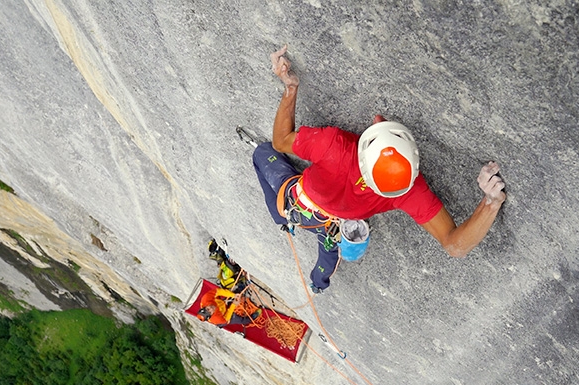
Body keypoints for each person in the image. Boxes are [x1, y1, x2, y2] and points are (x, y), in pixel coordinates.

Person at [252, 46, 507, 293]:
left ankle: (284, 223)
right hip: (335, 225)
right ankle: (318, 283)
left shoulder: (336, 147)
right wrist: (491, 201)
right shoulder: (408, 190)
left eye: (378, 126)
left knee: (262, 153)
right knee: (324, 258)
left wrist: (291, 87)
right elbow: (455, 246)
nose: (378, 119)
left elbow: (281, 141)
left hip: (301, 205)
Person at [197, 286, 263, 327]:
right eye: (210, 311)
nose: (211, 308)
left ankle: (242, 286)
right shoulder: (217, 319)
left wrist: (233, 295)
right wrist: (233, 304)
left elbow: (219, 291)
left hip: (221, 303)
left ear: (204, 307)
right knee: (242, 320)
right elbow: (227, 317)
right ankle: (254, 316)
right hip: (224, 317)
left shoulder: (206, 299)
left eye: (208, 308)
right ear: (211, 315)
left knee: (235, 293)